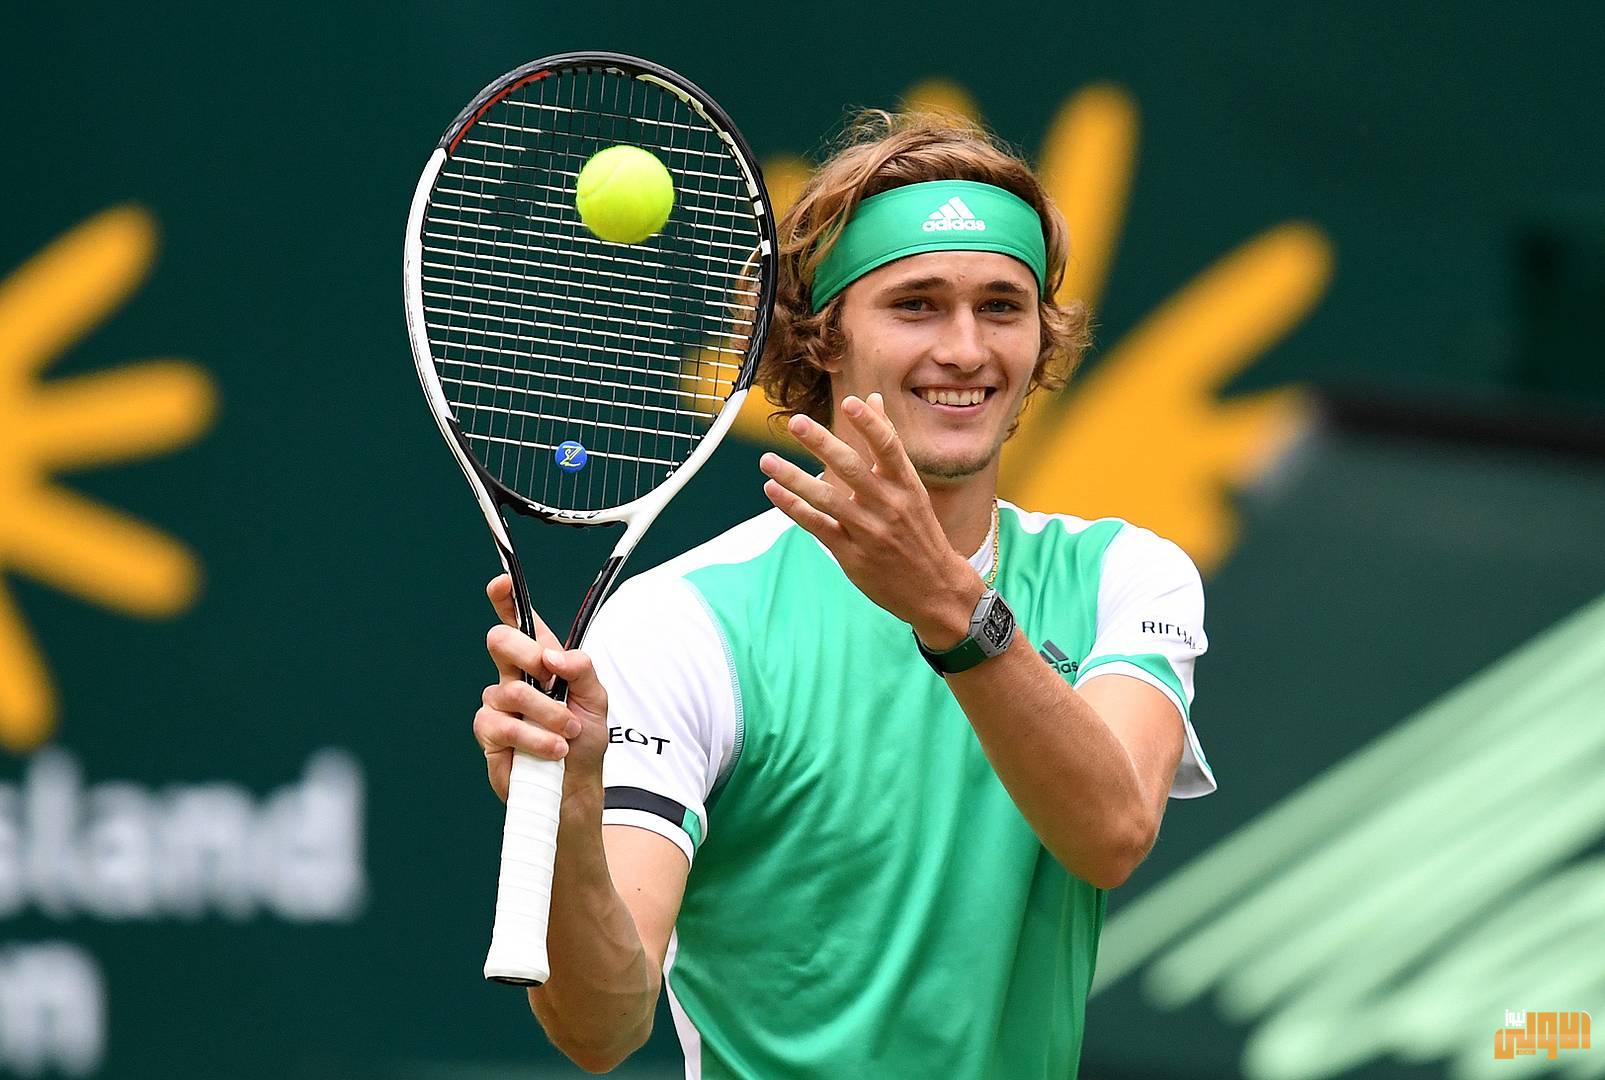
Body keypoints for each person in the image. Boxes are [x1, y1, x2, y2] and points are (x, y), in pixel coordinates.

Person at [472, 111, 1217, 1078]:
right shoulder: (683, 622)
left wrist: (949, 611)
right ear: (824, 339)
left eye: (1001, 306)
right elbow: (601, 1030)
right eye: (916, 305)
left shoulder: (1124, 575)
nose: (966, 349)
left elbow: (1110, 833)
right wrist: (571, 816)